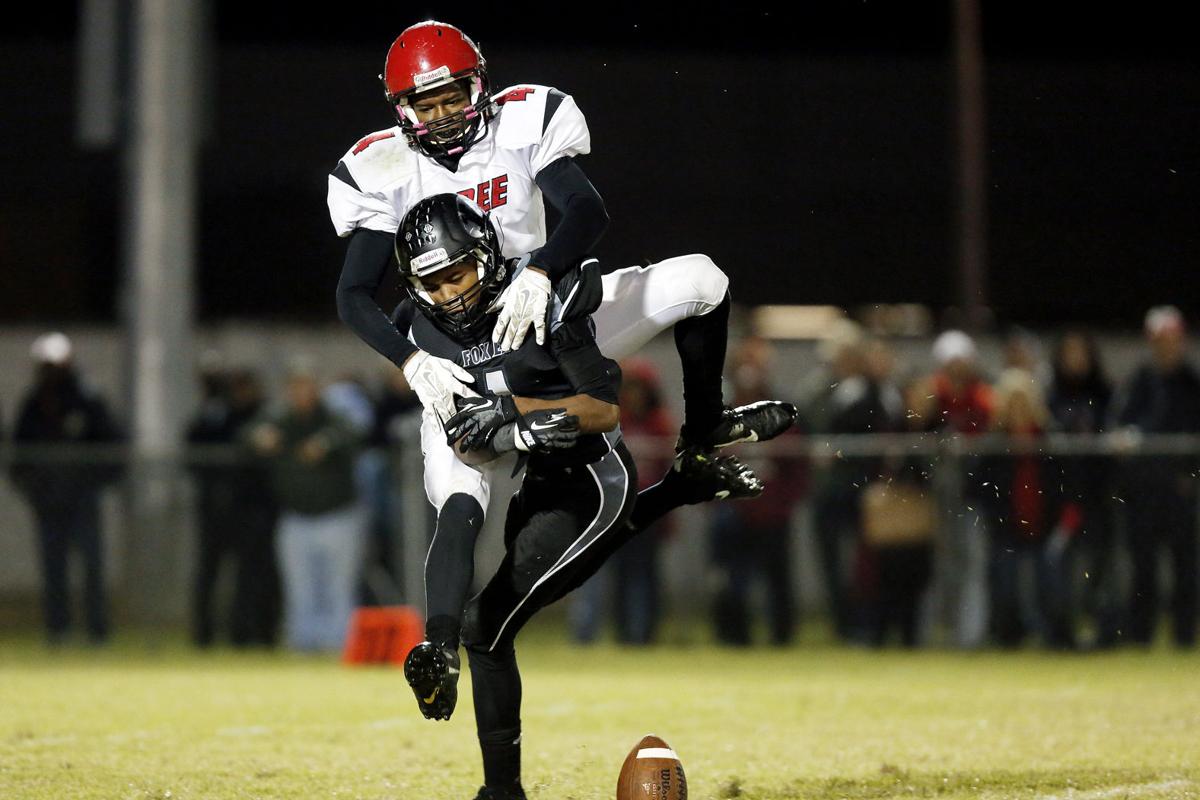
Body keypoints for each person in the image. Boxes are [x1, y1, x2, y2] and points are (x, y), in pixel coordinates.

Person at [327, 21, 796, 575]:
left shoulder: (521, 123)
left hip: (547, 328)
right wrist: (412, 360)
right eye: (425, 106)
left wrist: (542, 271)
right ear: (402, 109)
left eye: (452, 97)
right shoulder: (382, 169)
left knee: (702, 279)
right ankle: (445, 634)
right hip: (459, 361)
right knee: (459, 495)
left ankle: (703, 429)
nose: (442, 115)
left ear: (478, 87)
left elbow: (586, 209)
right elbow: (353, 293)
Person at [393, 195, 762, 800]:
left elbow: (600, 408)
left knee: (485, 628)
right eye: (429, 283)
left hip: (592, 482)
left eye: (455, 273)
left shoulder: (546, 301)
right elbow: (460, 490)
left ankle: (500, 792)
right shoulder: (420, 336)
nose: (447, 294)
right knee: (481, 621)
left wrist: (517, 411)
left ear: (486, 256)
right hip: (539, 483)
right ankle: (680, 487)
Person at [9, 332, 123, 645]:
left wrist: (94, 479)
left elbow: (112, 441)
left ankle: (97, 632)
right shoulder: (35, 402)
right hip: (48, 500)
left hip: (82, 497)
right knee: (53, 567)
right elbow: (19, 451)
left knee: (91, 565)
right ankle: (57, 630)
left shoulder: (87, 398)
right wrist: (31, 486)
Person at [246, 363, 366, 652]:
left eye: (306, 386)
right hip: (296, 517)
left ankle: (340, 644)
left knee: (338, 586)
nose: (301, 393)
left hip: (338, 516)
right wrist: (258, 438)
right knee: (299, 587)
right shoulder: (280, 419)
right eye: (295, 386)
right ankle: (303, 644)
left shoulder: (332, 416)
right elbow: (247, 436)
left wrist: (326, 443)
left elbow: (354, 434)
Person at [1112, 306, 1200, 648]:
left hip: (1181, 491)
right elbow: (1118, 425)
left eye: (1173, 339)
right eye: (1161, 340)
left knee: (1185, 568)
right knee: (1143, 567)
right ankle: (1140, 636)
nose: (1167, 346)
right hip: (1143, 491)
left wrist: (1190, 477)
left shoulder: (1192, 383)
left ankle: (1184, 637)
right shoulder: (1138, 381)